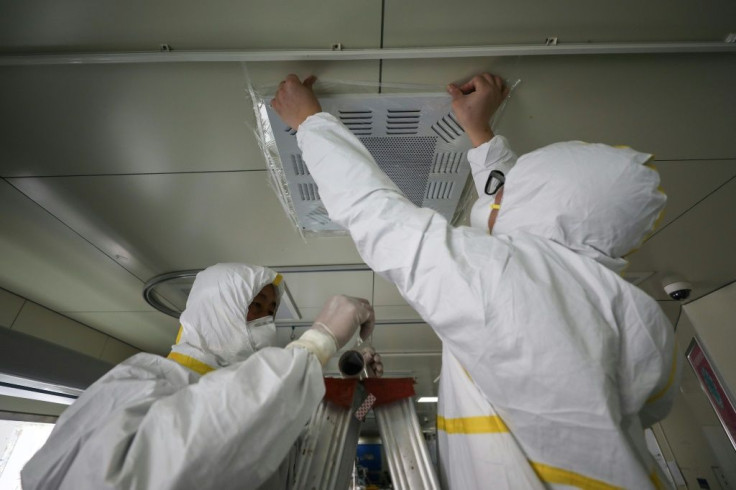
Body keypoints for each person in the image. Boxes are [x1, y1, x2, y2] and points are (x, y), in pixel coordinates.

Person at [272, 74, 681, 489]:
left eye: (514, 193)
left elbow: (384, 221)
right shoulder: (613, 306)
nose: (499, 198)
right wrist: (480, 134)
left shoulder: (516, 285)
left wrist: (310, 123)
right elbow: (519, 225)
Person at [22, 262, 382, 489]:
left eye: (270, 311)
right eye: (255, 306)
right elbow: (170, 462)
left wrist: (364, 389)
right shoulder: (138, 378)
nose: (265, 321)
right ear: (215, 309)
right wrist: (316, 344)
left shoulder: (265, 395)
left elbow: (320, 441)